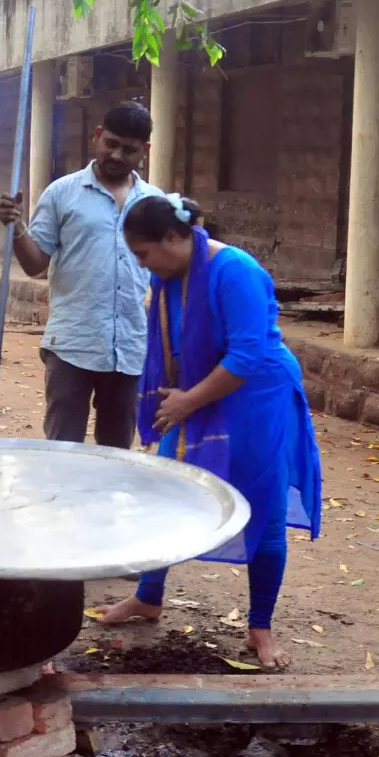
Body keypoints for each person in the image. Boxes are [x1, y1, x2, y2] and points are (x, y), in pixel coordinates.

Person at [96, 194, 322, 669]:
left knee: (263, 507)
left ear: (174, 238)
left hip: (254, 397)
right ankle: (147, 597)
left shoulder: (235, 271)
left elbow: (246, 357)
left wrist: (188, 401)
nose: (143, 266)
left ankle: (260, 626)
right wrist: (177, 400)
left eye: (144, 254)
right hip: (194, 391)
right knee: (165, 490)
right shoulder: (169, 277)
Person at [0, 101, 162, 449]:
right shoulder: (62, 193)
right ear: (97, 137)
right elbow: (34, 263)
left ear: (144, 151)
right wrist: (16, 228)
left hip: (129, 347)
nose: (116, 155)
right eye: (111, 144)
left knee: (116, 452)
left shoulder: (154, 203)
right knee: (61, 449)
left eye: (129, 150)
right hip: (72, 345)